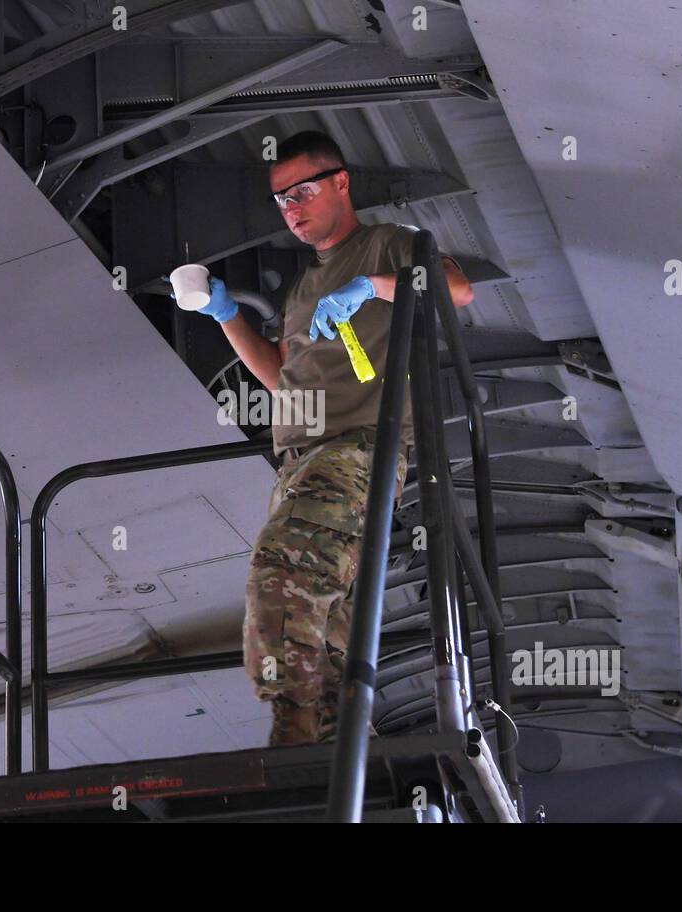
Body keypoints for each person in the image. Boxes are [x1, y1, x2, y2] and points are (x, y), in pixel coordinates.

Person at [191, 130, 474, 745]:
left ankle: (293, 727)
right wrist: (226, 316)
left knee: (283, 565)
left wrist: (372, 286)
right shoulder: (301, 285)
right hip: (299, 456)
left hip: (357, 445)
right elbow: (281, 375)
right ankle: (343, 748)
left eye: (303, 190)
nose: (291, 207)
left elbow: (456, 289)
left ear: (342, 184)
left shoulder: (385, 245)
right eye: (281, 199)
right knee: (330, 615)